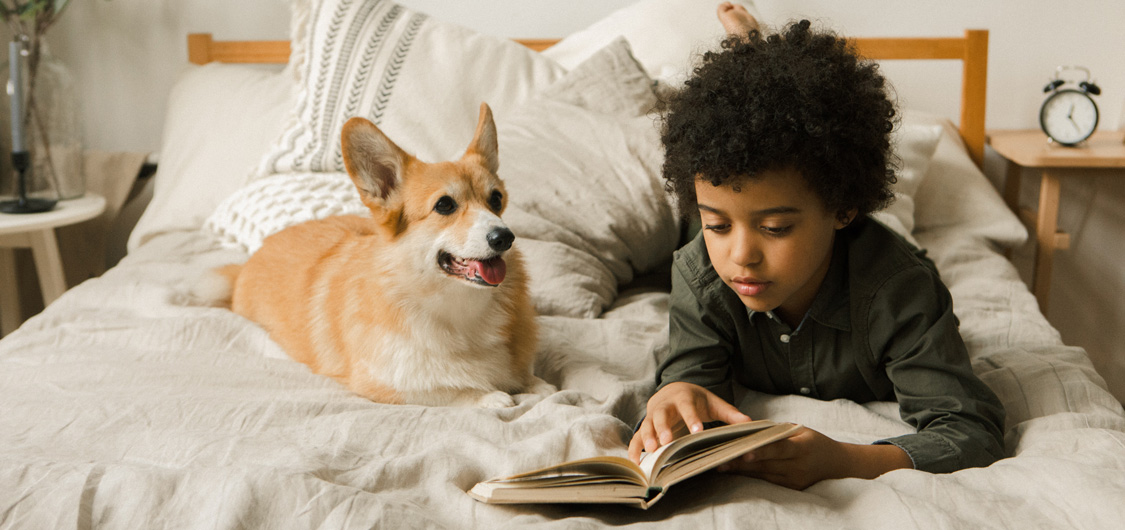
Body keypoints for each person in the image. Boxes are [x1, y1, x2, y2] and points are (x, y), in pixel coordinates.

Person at [626, 3, 1006, 490]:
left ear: (843, 207)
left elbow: (970, 431)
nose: (742, 255)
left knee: (889, 242)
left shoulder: (900, 292)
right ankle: (752, 53)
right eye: (717, 224)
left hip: (869, 252)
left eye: (776, 228)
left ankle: (755, 51)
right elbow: (691, 368)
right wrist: (678, 392)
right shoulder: (701, 270)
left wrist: (847, 460)